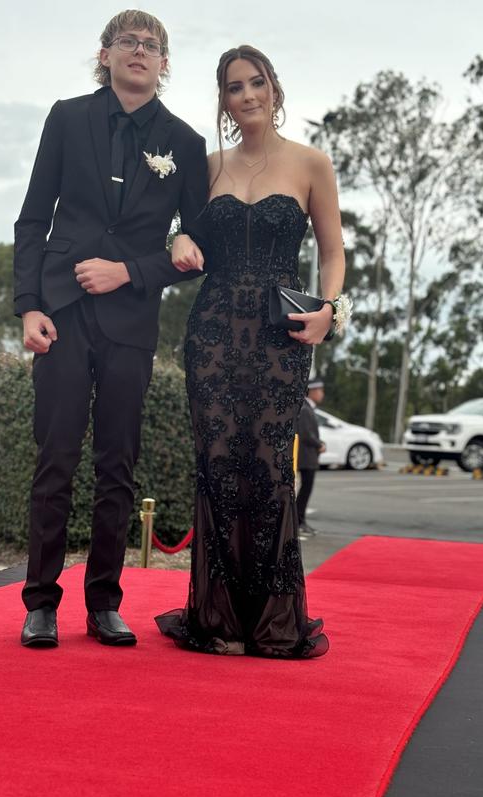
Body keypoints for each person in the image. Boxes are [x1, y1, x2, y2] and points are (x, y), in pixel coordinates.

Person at [15, 10, 208, 648]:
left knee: (117, 464)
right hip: (62, 313)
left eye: (152, 45)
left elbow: (196, 247)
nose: (139, 51)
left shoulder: (184, 142)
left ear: (164, 64)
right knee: (56, 458)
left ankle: (104, 602)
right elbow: (32, 217)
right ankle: (40, 602)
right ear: (105, 54)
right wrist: (28, 305)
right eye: (128, 42)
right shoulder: (67, 117)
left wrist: (128, 271)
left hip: (131, 322)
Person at [155, 45, 346, 658]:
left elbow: (334, 252)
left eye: (256, 82)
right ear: (223, 100)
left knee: (268, 470)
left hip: (279, 337)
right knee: (216, 469)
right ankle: (216, 619)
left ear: (273, 87)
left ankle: (271, 622)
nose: (247, 96)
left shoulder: (311, 163)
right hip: (212, 334)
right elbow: (178, 234)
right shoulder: (206, 168)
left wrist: (330, 312)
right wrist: (181, 234)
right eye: (234, 88)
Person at [297, 379, 327, 536]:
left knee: (305, 490)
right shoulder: (305, 409)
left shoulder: (307, 408)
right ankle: (298, 522)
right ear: (313, 391)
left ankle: (299, 521)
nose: (322, 394)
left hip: (308, 456)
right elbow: (306, 434)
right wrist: (319, 444)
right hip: (306, 457)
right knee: (305, 490)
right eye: (320, 390)